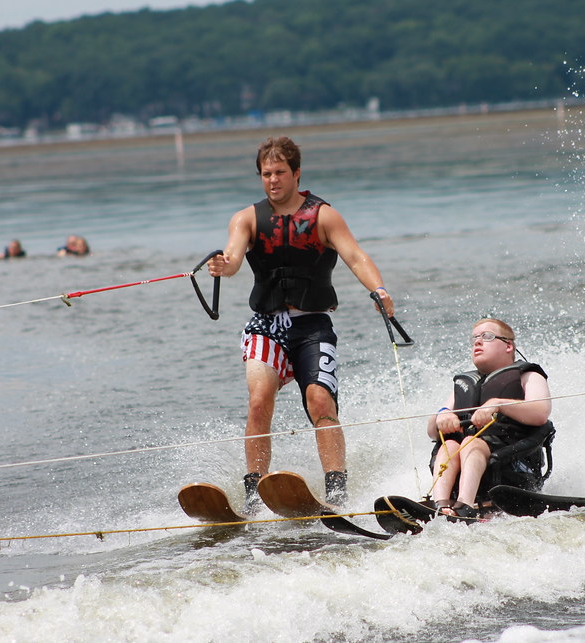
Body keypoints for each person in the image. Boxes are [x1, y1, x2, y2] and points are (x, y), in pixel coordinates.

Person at [207, 136, 394, 511]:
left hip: (313, 325)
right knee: (259, 401)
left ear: (296, 173)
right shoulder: (246, 218)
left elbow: (356, 256)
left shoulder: (324, 215)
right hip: (266, 325)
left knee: (320, 400)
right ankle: (253, 494)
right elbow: (233, 257)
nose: (272, 180)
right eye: (265, 174)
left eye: (279, 173)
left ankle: (337, 491)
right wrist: (223, 266)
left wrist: (379, 290)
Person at [426, 318, 551, 522]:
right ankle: (440, 505)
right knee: (448, 444)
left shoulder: (528, 375)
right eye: (474, 338)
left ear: (508, 345)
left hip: (512, 466)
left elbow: (540, 413)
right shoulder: (465, 384)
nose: (477, 342)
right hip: (470, 464)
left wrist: (499, 403)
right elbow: (432, 432)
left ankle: (465, 506)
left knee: (470, 442)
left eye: (487, 336)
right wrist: (442, 415)